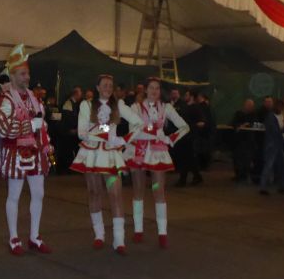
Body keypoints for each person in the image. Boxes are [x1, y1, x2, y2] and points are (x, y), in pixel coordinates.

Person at [70, 75, 140, 254]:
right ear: (97, 87)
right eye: (104, 85)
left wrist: (124, 140)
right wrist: (108, 130)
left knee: (116, 194)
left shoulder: (118, 105)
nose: (108, 88)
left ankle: (119, 240)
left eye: (110, 85)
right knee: (94, 193)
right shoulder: (86, 105)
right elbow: (81, 132)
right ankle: (99, 235)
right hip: (92, 154)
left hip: (110, 154)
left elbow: (139, 123)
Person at [0, 44, 51, 255]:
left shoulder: (34, 99)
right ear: (12, 75)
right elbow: (4, 128)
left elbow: (42, 125)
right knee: (14, 195)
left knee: (39, 194)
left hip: (35, 152)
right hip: (16, 153)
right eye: (22, 74)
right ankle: (13, 238)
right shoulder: (6, 100)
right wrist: (29, 125)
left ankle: (34, 236)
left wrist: (46, 141)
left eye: (27, 73)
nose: (27, 77)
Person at [126, 77, 189, 248]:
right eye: (151, 88)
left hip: (157, 152)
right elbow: (134, 130)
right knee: (138, 191)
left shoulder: (166, 107)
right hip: (139, 151)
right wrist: (155, 132)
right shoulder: (135, 107)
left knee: (159, 191)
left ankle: (162, 233)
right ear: (145, 90)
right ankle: (138, 230)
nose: (154, 91)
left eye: (157, 88)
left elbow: (184, 126)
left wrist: (170, 139)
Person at [259, 98, 284, 195]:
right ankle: (263, 186)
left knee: (281, 165)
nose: (281, 109)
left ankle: (280, 185)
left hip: (278, 143)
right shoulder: (271, 117)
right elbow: (274, 131)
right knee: (269, 165)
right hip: (272, 144)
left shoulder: (280, 116)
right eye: (280, 107)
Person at [175, 90, 203, 186]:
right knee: (188, 158)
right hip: (185, 136)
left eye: (186, 95)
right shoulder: (186, 107)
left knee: (187, 157)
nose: (184, 96)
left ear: (191, 97)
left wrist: (191, 127)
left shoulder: (196, 108)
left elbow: (201, 122)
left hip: (190, 137)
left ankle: (184, 179)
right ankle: (196, 176)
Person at [231, 98, 259, 184]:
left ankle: (244, 175)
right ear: (244, 105)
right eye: (248, 105)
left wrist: (248, 125)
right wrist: (241, 125)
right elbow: (233, 123)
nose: (249, 107)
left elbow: (255, 124)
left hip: (249, 141)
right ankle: (238, 175)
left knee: (247, 159)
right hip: (239, 141)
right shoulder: (238, 113)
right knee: (237, 159)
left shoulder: (254, 115)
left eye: (251, 106)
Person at [58, 86, 83, 174]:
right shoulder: (68, 103)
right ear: (76, 94)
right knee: (67, 151)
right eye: (80, 93)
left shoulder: (74, 104)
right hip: (68, 133)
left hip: (73, 131)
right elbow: (68, 118)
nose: (81, 95)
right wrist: (71, 129)